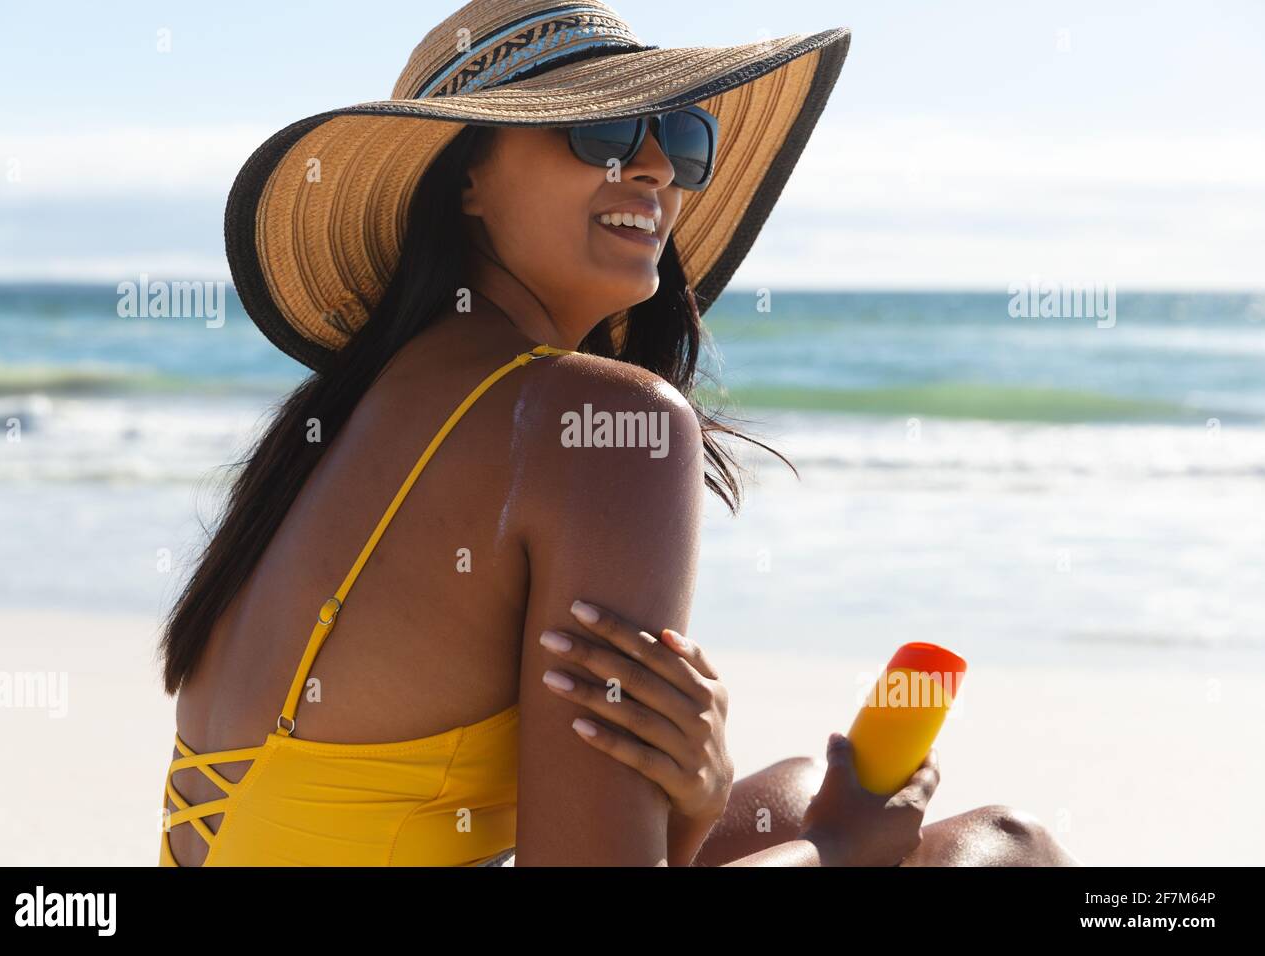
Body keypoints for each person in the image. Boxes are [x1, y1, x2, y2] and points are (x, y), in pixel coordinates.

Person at [156, 0, 1078, 867]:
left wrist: (704, 805)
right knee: (1009, 844)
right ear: (466, 178)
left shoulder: (363, 407)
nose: (653, 169)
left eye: (678, 137)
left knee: (792, 787)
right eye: (599, 131)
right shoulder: (609, 425)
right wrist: (838, 844)